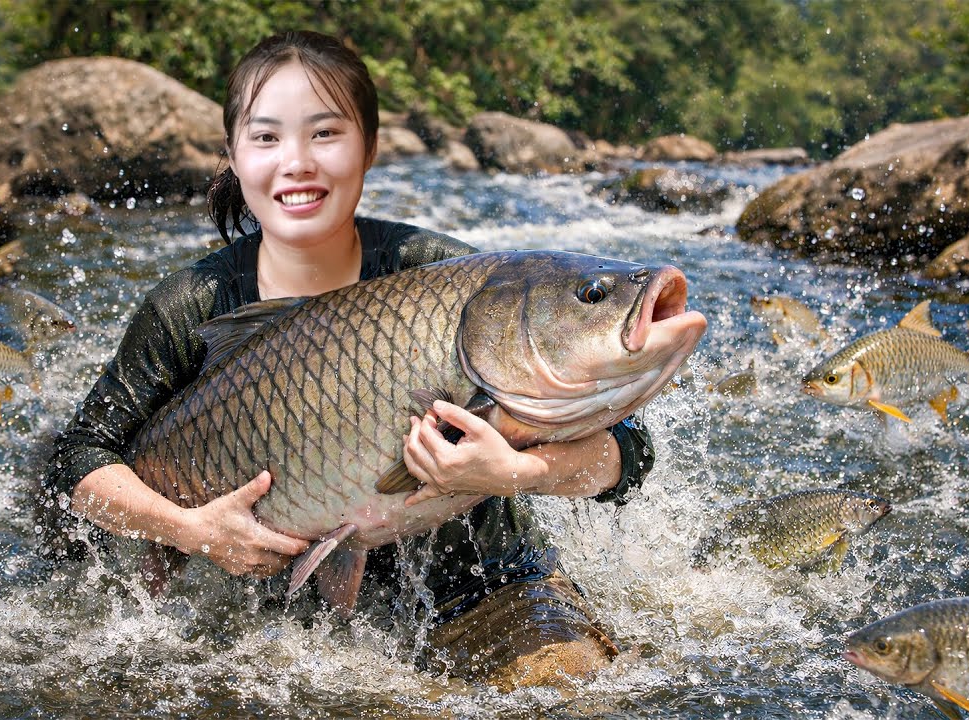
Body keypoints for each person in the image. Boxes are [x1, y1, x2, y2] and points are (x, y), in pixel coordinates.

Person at [42, 29, 654, 689]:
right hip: (274, 625)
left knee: (578, 693)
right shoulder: (188, 305)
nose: (296, 163)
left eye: (325, 134)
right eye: (267, 137)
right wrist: (190, 531)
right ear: (233, 156)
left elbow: (628, 457)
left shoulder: (453, 276)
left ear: (370, 149)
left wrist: (514, 470)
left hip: (482, 587)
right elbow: (77, 457)